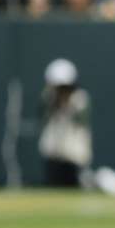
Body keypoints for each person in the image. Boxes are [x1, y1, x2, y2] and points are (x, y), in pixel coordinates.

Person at [39, 58, 92, 187]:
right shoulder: (49, 97)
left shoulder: (80, 99)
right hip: (53, 154)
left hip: (74, 155)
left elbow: (79, 118)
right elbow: (44, 113)